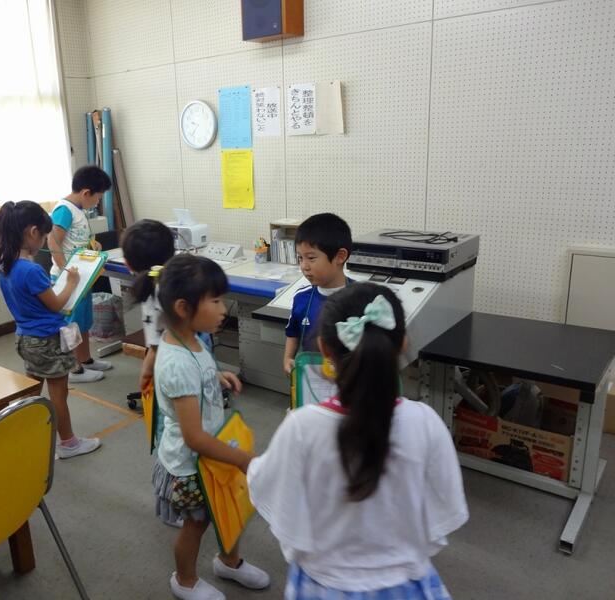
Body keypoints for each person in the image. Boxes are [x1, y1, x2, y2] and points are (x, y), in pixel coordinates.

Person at [248, 283, 468, 599]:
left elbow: (275, 496)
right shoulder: (426, 422)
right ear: (403, 344)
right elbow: (443, 512)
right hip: (407, 584)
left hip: (322, 586)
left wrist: (244, 460)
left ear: (323, 349)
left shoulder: (302, 427)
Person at [152, 254, 269, 600]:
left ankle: (228, 562)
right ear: (183, 307)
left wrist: (216, 376)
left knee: (227, 508)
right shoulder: (176, 363)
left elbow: (197, 373)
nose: (223, 309)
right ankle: (184, 580)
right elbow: (194, 437)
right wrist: (243, 459)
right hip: (191, 462)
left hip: (213, 450)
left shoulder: (192, 339)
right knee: (198, 522)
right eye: (215, 301)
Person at [0, 200, 101, 459]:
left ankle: (31, 435)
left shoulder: (4, 266)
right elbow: (56, 304)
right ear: (33, 232)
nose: (44, 242)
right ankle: (69, 443)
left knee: (33, 391)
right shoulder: (31, 270)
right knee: (58, 394)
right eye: (43, 237)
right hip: (47, 340)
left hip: (25, 338)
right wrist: (72, 282)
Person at [48, 165, 113, 383]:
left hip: (81, 278)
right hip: (68, 279)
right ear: (86, 193)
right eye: (98, 197)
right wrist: (66, 272)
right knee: (71, 325)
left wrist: (93, 244)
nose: (98, 202)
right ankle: (73, 369)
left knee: (83, 322)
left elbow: (75, 240)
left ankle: (85, 360)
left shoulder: (79, 210)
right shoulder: (64, 210)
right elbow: (53, 241)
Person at [283, 213, 353, 375]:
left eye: (311, 258)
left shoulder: (360, 297)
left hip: (349, 379)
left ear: (340, 256)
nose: (304, 266)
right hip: (311, 378)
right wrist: (287, 358)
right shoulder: (301, 297)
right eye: (300, 258)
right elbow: (292, 333)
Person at [120, 219, 176, 391]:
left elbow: (156, 347)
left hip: (173, 370)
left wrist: (145, 374)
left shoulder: (153, 292)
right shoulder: (178, 281)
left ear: (128, 264)